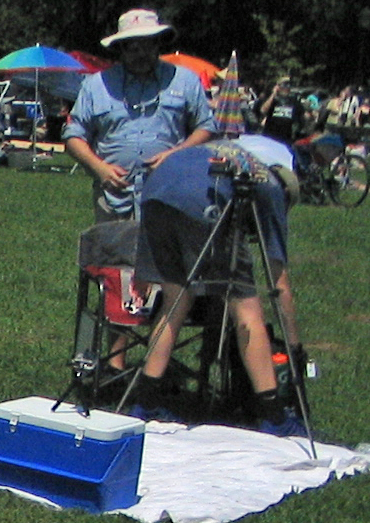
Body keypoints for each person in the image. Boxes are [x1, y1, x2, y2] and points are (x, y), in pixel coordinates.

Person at [127, 137, 304, 435]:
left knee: (175, 300)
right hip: (204, 203)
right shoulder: (270, 186)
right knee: (247, 309)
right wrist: (295, 347)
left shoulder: (228, 153)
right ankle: (273, 416)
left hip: (156, 191)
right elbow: (279, 282)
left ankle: (146, 401)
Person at [62, 8, 212, 220]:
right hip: (113, 198)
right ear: (120, 48)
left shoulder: (185, 81)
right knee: (114, 253)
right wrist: (99, 168)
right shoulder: (96, 85)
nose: (141, 52)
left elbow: (206, 127)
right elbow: (73, 135)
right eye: (132, 46)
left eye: (148, 44)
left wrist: (174, 156)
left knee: (164, 253)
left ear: (159, 43)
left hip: (169, 193)